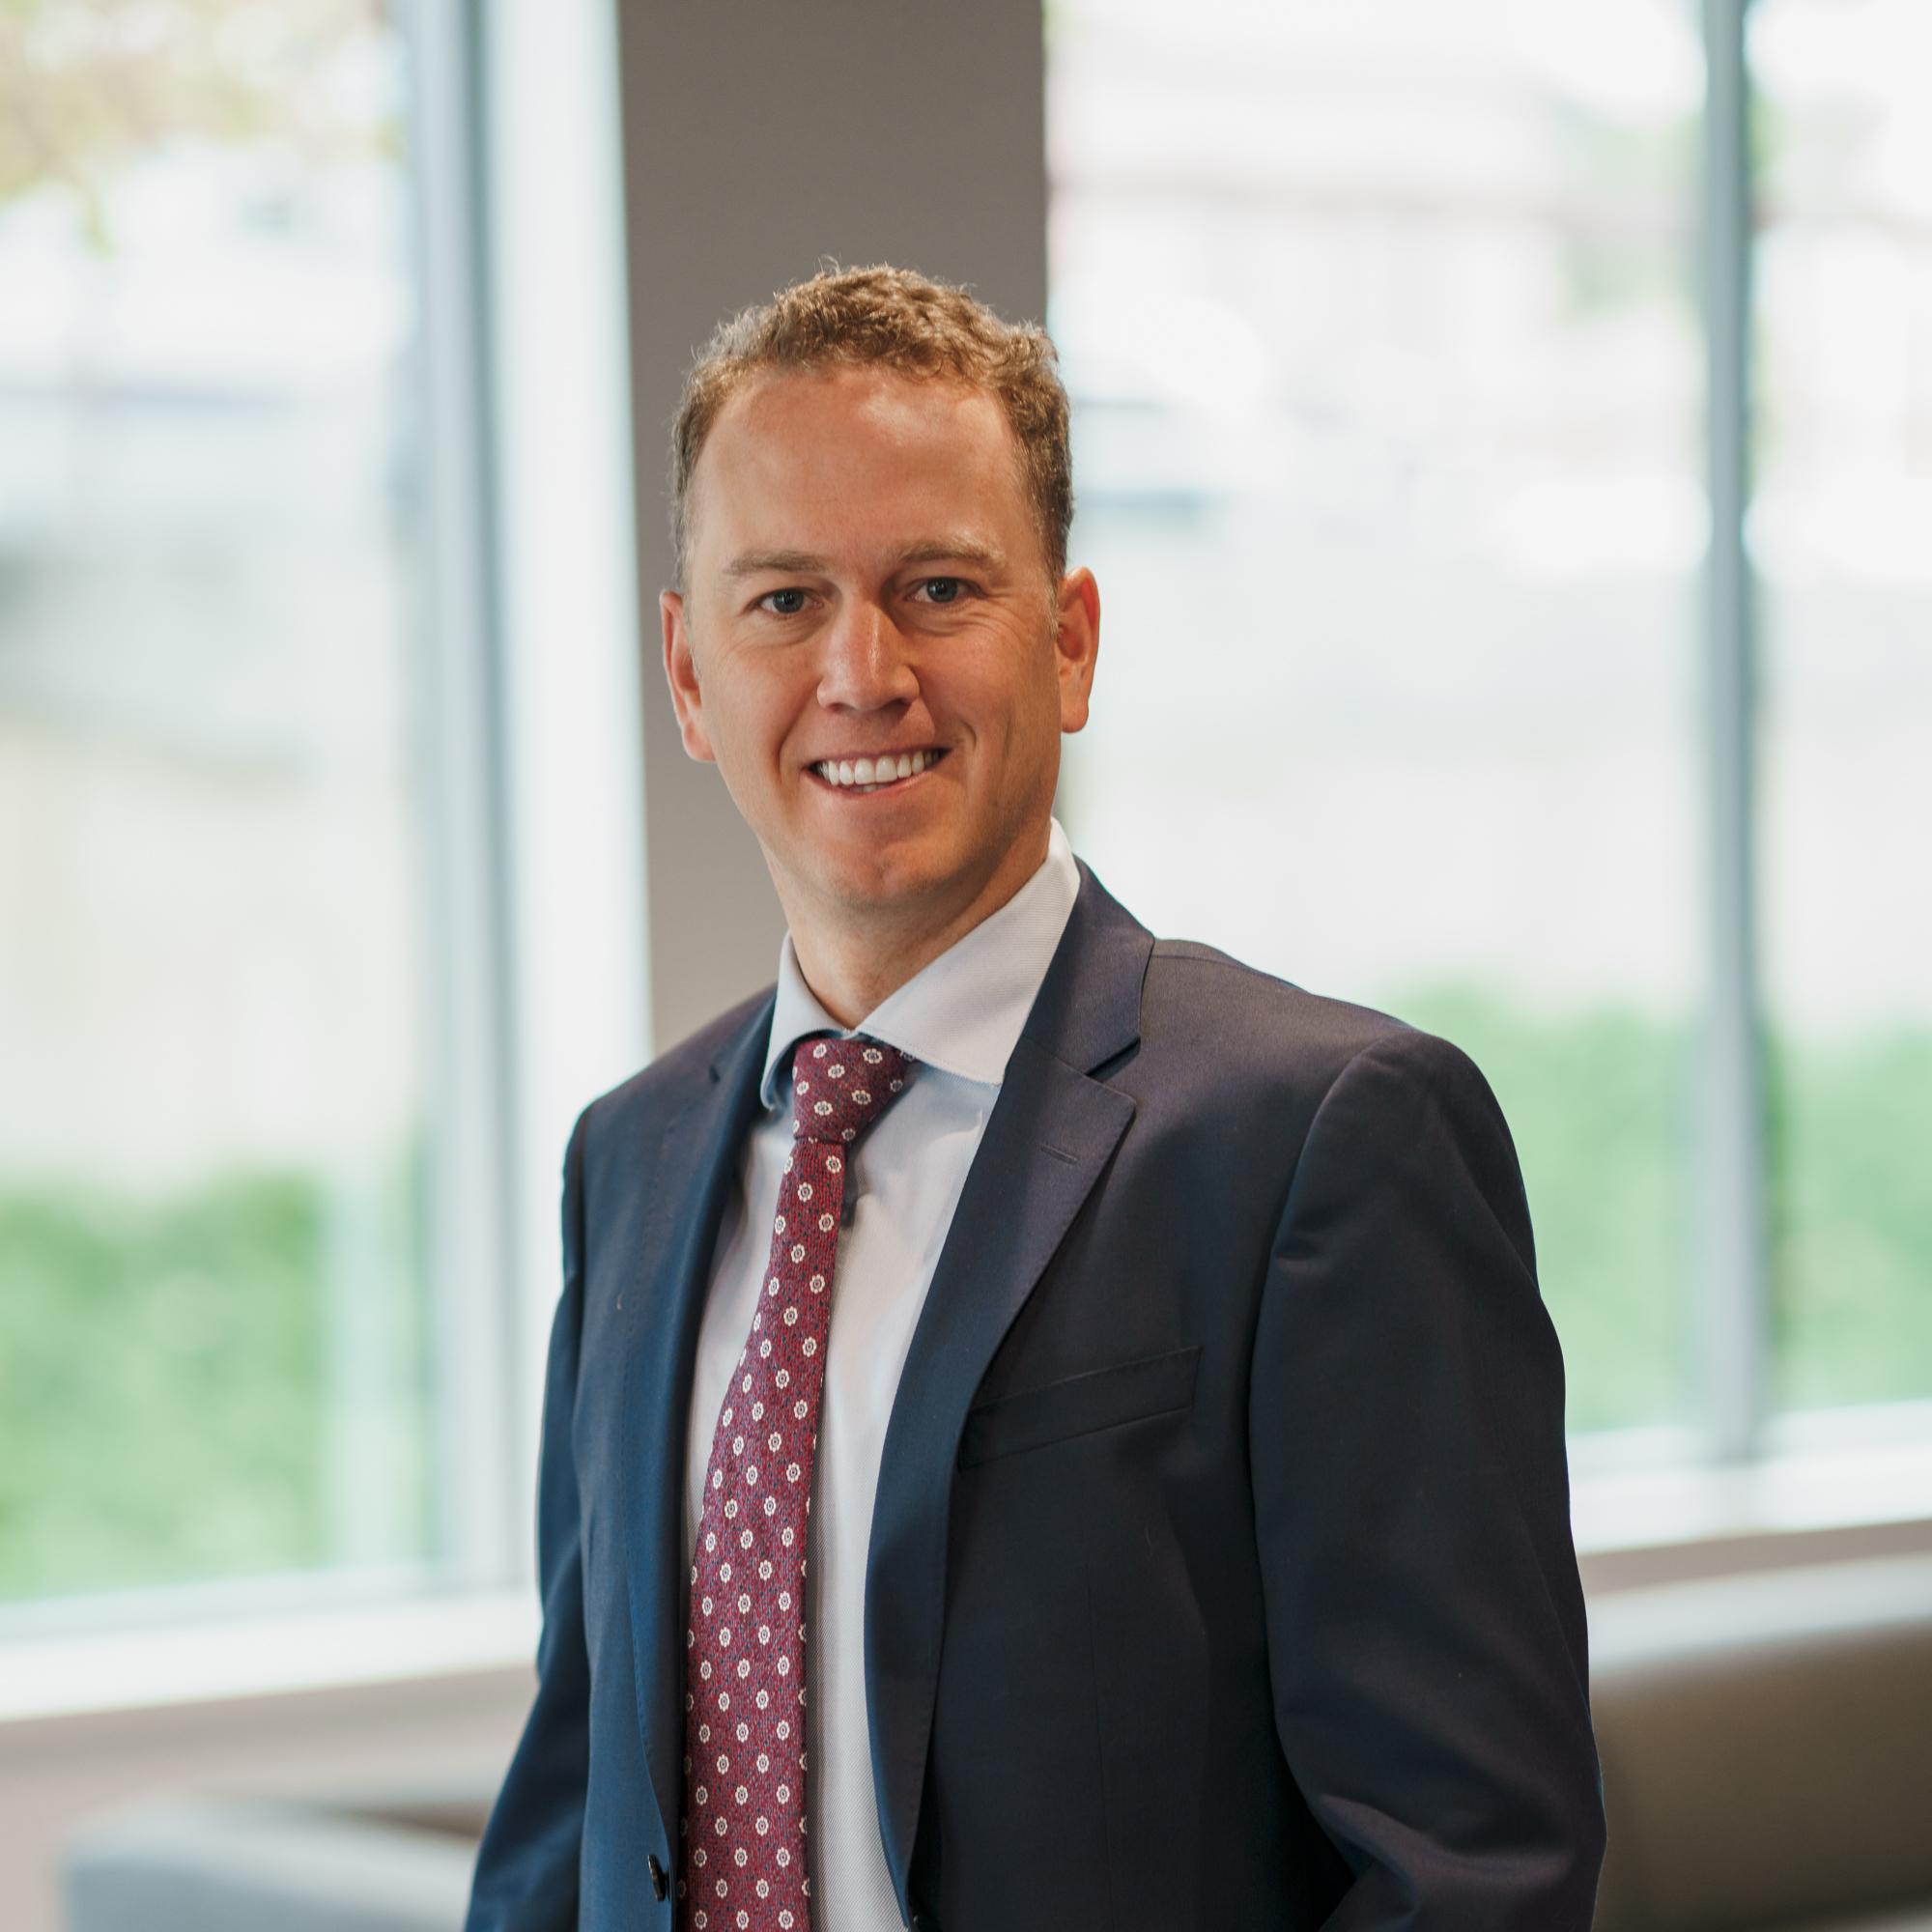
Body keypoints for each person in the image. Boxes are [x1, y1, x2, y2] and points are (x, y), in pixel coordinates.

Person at [465, 263, 1605, 1932]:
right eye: (782, 600)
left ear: (1067, 641)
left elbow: (1473, 1873)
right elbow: (575, 1813)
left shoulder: (1322, 1143)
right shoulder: (627, 1160)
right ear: (690, 675)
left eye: (937, 587)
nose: (863, 670)